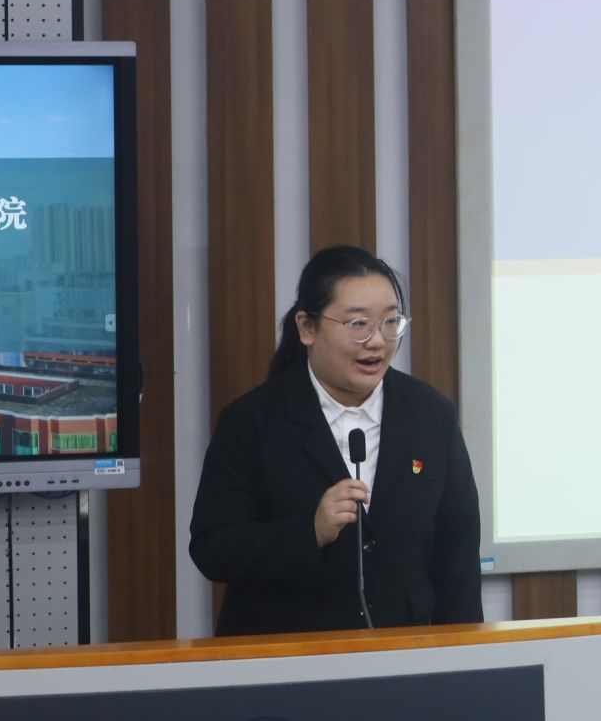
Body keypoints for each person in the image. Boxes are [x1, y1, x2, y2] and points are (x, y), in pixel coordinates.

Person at [189, 245, 483, 635]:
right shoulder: (252, 421)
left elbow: (458, 552)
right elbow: (213, 548)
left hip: (402, 650)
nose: (377, 341)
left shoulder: (431, 415)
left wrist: (464, 655)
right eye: (358, 324)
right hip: (285, 652)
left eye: (390, 322)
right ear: (307, 328)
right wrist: (310, 531)